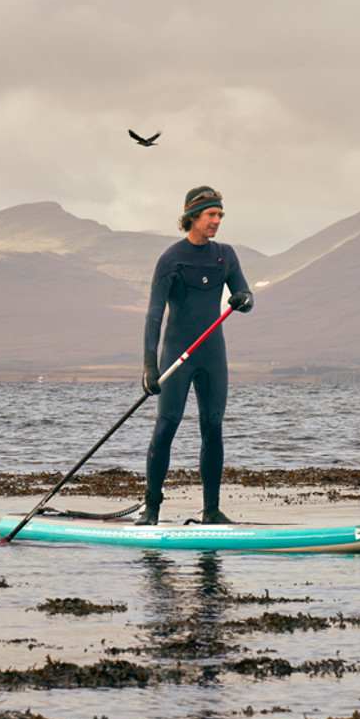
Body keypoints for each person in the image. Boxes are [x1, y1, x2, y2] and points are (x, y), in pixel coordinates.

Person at [139, 186, 253, 525]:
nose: (217, 221)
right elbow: (154, 315)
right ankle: (152, 510)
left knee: (212, 428)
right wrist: (149, 365)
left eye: (220, 215)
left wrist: (243, 300)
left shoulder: (226, 255)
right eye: (211, 215)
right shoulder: (171, 258)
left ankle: (212, 512)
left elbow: (245, 294)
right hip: (178, 355)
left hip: (213, 356)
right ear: (192, 216)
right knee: (166, 428)